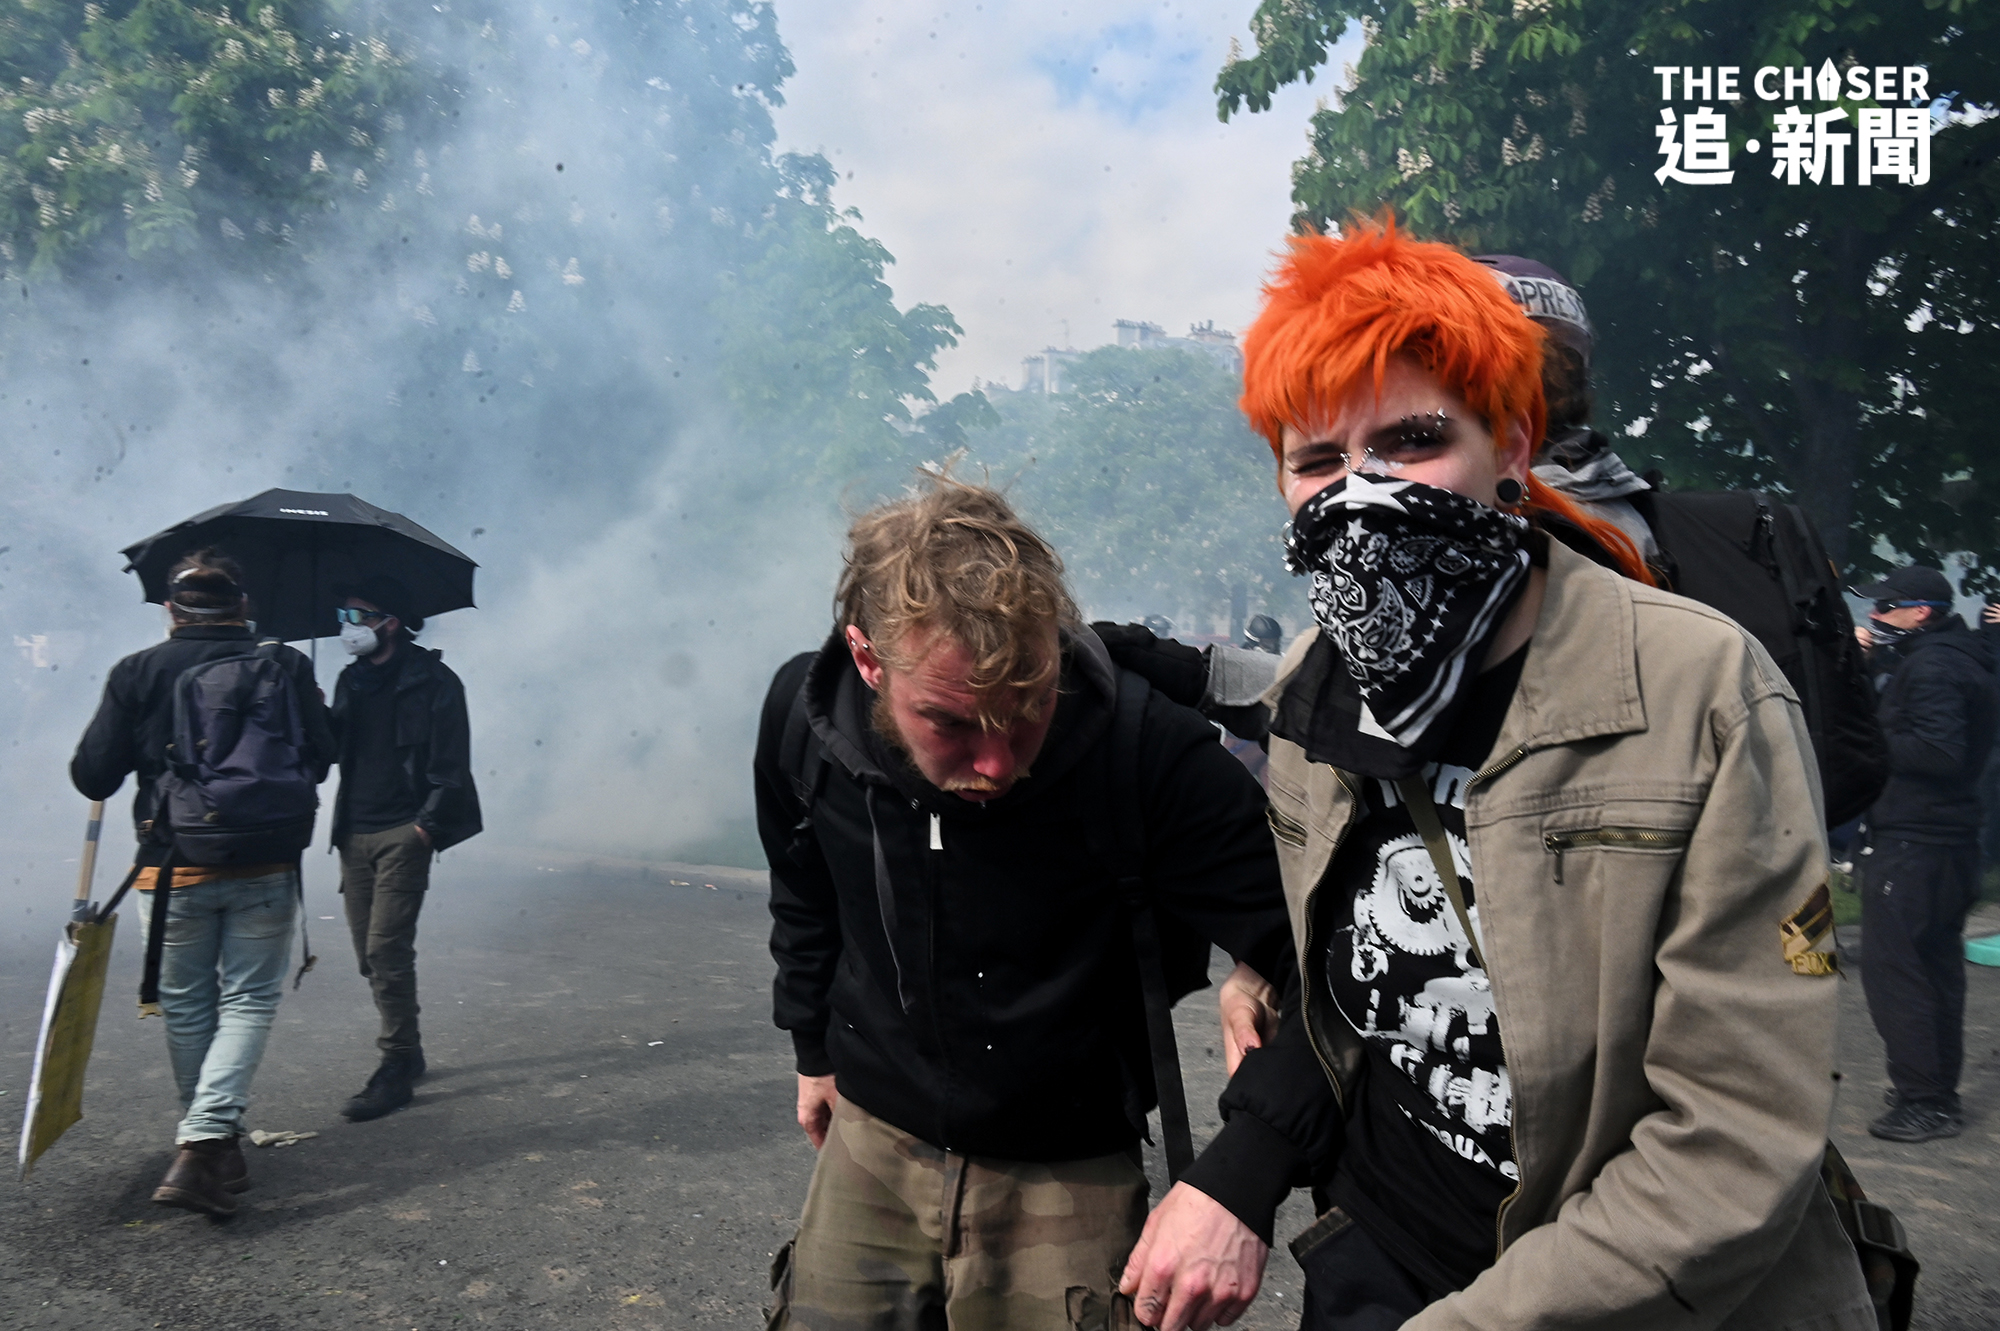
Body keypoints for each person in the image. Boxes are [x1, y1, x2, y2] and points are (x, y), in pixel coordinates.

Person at [1120, 220, 1873, 1330]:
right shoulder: (1317, 687)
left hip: (1629, 1294)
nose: (1363, 491)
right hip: (1381, 1244)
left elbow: (1734, 1134)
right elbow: (1355, 978)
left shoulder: (1701, 687)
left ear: (1512, 444)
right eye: (1318, 462)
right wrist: (1247, 1121)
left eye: (1414, 439)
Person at [755, 475, 1295, 1328]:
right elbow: (803, 886)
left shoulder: (1145, 751)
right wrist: (812, 1047)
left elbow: (1330, 951)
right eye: (951, 721)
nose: (997, 764)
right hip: (870, 1131)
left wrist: (1245, 1157)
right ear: (868, 660)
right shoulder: (808, 720)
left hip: (1066, 1157)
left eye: (1028, 707)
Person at [70, 549, 335, 1215]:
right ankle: (211, 1143)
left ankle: (203, 1139)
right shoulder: (286, 664)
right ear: (243, 605)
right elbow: (325, 758)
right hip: (268, 860)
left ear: (170, 609)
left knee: (188, 1006)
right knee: (248, 1001)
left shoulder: (138, 670)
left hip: (172, 865)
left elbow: (93, 775)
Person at [1851, 564, 1996, 1142]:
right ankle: (1933, 1088)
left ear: (1921, 612)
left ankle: (1925, 1100)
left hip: (1918, 840)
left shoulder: (1935, 665)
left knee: (1896, 972)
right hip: (1945, 838)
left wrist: (1867, 735)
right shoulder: (1952, 657)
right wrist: (1868, 668)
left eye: (1886, 607)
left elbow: (1939, 752)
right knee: (1934, 967)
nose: (1874, 615)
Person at [328, 575, 481, 1121]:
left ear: (389, 622)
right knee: (368, 958)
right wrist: (305, 706)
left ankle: (395, 1064)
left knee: (386, 951)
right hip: (353, 833)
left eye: (356, 616)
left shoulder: (436, 682)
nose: (346, 627)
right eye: (342, 616)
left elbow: (452, 764)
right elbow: (327, 752)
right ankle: (409, 1049)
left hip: (403, 832)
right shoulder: (349, 682)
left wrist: (426, 828)